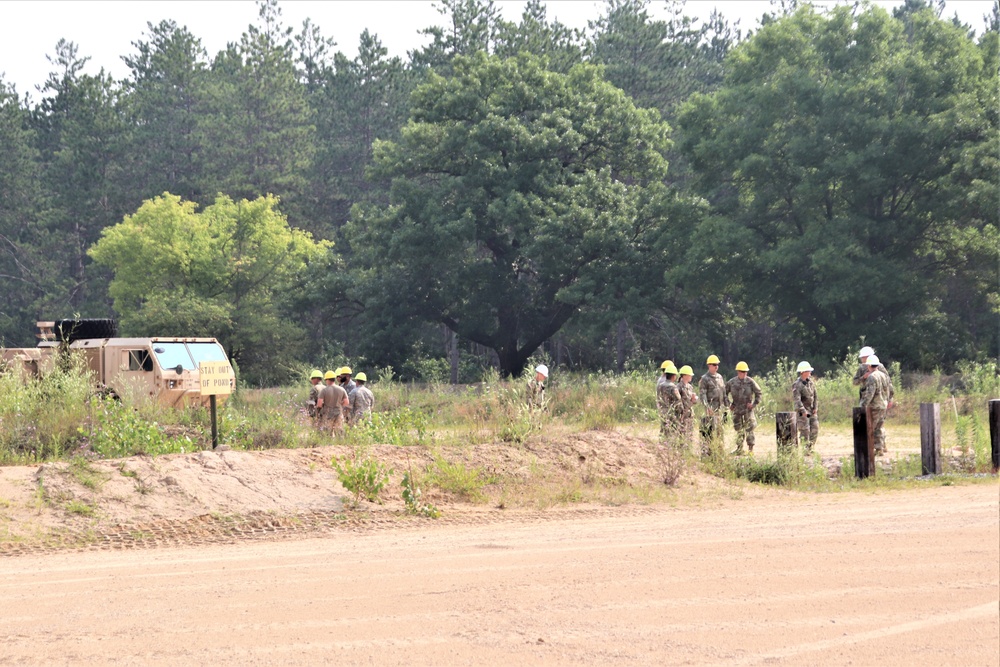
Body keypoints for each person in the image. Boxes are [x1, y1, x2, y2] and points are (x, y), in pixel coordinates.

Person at [725, 361, 762, 454]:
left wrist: (754, 404)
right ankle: (739, 449)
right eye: (742, 371)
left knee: (750, 429)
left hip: (747, 410)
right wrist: (729, 404)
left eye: (745, 371)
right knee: (738, 429)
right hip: (736, 410)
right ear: (738, 372)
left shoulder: (751, 382)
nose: (744, 373)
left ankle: (750, 450)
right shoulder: (731, 382)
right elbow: (724, 394)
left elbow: (759, 393)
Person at [860, 354, 892, 456]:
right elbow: (888, 391)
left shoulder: (871, 377)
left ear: (869, 366)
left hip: (875, 406)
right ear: (877, 365)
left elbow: (870, 393)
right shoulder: (884, 376)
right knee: (879, 427)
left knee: (870, 428)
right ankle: (879, 449)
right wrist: (887, 401)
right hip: (883, 405)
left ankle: (868, 449)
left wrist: (863, 405)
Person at [698, 355, 728, 455]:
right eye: (714, 365)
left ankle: (720, 451)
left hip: (719, 409)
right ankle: (708, 452)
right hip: (710, 410)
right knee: (708, 432)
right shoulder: (704, 379)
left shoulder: (720, 377)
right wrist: (707, 407)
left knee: (720, 431)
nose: (716, 367)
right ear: (709, 365)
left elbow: (724, 393)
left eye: (717, 365)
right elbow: (702, 395)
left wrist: (727, 406)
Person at [792, 361, 818, 454]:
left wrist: (815, 407)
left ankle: (810, 448)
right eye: (808, 371)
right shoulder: (797, 385)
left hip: (811, 410)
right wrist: (803, 411)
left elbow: (815, 396)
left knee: (815, 428)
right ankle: (805, 450)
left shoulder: (811, 383)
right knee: (805, 430)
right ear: (803, 372)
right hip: (802, 411)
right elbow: (797, 400)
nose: (810, 373)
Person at [656, 361, 683, 444]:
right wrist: (681, 412)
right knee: (672, 432)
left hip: (663, 411)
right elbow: (678, 401)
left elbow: (659, 398)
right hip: (672, 413)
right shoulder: (673, 387)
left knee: (664, 430)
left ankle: (661, 445)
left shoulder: (660, 385)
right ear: (674, 376)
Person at [316, 370, 349, 435]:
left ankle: (329, 444)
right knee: (339, 432)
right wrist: (339, 405)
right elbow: (346, 402)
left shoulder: (324, 390)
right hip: (339, 413)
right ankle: (340, 444)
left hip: (328, 414)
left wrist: (319, 412)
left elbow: (319, 404)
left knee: (327, 433)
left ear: (327, 379)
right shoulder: (341, 389)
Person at [677, 365, 699, 448]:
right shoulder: (678, 387)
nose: (691, 377)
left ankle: (688, 450)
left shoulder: (689, 387)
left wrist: (694, 399)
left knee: (690, 434)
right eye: (690, 375)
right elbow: (677, 401)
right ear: (685, 375)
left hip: (690, 414)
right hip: (682, 415)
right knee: (682, 434)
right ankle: (681, 450)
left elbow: (693, 401)